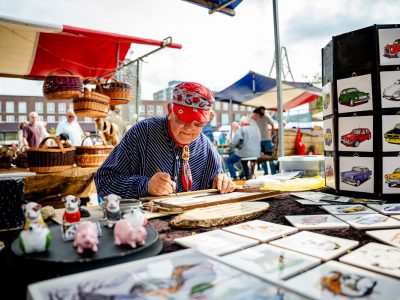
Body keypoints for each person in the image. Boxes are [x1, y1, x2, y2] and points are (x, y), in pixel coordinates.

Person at [94, 82, 236, 199]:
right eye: (182, 119)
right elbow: (103, 181)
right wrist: (145, 185)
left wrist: (223, 183)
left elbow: (219, 184)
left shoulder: (207, 148)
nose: (188, 128)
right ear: (170, 110)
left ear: (209, 118)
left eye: (197, 123)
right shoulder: (143, 133)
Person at [252, 106, 277, 175]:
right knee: (262, 158)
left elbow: (272, 124)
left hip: (267, 140)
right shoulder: (255, 119)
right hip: (259, 141)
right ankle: (265, 173)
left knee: (270, 157)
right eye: (262, 111)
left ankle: (273, 172)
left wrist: (271, 132)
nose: (263, 112)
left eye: (263, 111)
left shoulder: (266, 117)